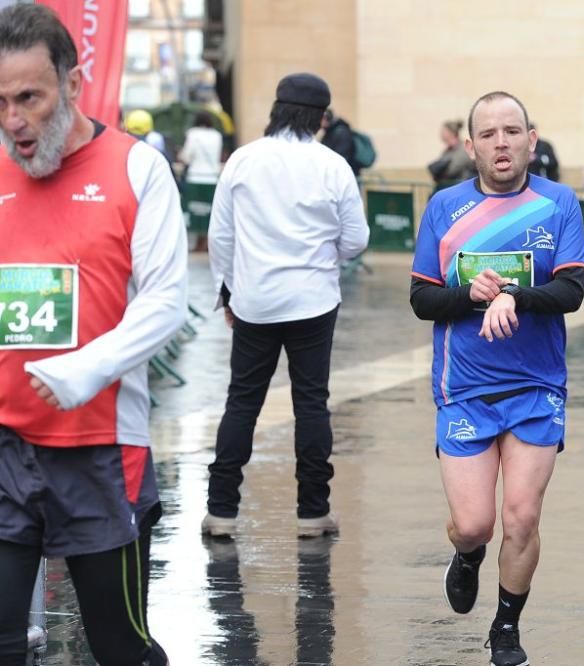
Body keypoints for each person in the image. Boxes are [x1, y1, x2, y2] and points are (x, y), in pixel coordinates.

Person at [0, 5, 187, 664]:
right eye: (0, 102)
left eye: (30, 97)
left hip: (102, 448)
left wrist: (88, 367)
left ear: (73, 86)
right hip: (4, 444)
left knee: (119, 646)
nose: (13, 120)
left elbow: (167, 300)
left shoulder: (137, 170)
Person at [409, 91, 584, 666]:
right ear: (470, 146)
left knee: (522, 516)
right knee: (474, 524)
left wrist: (516, 296)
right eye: (488, 134)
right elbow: (421, 299)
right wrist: (470, 295)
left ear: (532, 140)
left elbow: (571, 291)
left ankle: (506, 627)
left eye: (513, 131)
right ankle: (466, 556)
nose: (502, 143)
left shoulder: (558, 203)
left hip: (536, 387)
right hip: (463, 388)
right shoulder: (444, 208)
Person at [202, 72, 369, 539]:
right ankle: (313, 512)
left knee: (242, 403)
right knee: (312, 402)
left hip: (254, 300)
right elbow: (356, 240)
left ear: (276, 110)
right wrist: (323, 255)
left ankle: (221, 510)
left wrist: (227, 291)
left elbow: (221, 236)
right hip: (313, 300)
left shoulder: (243, 160)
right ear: (320, 117)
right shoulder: (332, 164)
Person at [177, 110, 223, 251]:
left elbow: (186, 156)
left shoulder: (193, 134)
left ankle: (198, 243)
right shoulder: (217, 135)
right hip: (212, 178)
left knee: (195, 211)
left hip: (195, 176)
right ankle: (207, 243)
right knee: (209, 212)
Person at [428, 118, 476, 192]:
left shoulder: (463, 149)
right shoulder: (447, 151)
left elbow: (452, 170)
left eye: (443, 131)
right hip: (449, 189)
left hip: (462, 189)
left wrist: (438, 172)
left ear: (451, 133)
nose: (441, 133)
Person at [319, 107, 358, 176]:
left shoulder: (341, 132)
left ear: (325, 119)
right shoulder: (330, 132)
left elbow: (342, 156)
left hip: (343, 173)